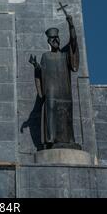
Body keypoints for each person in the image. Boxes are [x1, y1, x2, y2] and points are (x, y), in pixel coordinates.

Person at [29, 14, 80, 149]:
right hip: (51, 93)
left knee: (66, 116)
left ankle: (69, 141)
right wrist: (35, 65)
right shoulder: (45, 56)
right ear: (49, 42)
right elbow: (42, 72)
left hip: (64, 92)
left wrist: (71, 24)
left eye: (56, 38)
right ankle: (51, 141)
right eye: (52, 39)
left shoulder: (65, 55)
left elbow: (74, 41)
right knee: (51, 116)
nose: (55, 40)